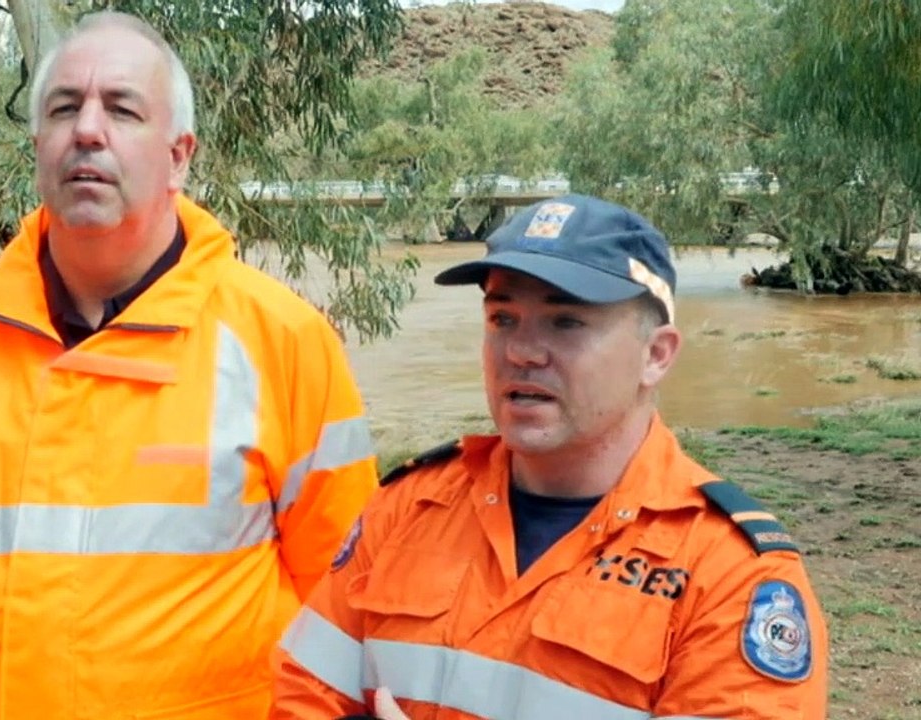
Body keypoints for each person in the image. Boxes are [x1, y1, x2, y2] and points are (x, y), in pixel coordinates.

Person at [0, 11, 378, 719]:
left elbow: (342, 591)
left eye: (123, 109)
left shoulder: (283, 341)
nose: (87, 129)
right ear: (38, 142)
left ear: (179, 155)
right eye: (64, 107)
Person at [271, 194, 828, 719]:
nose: (520, 352)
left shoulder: (728, 572)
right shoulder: (406, 508)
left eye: (567, 322)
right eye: (502, 319)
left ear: (655, 355)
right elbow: (304, 695)